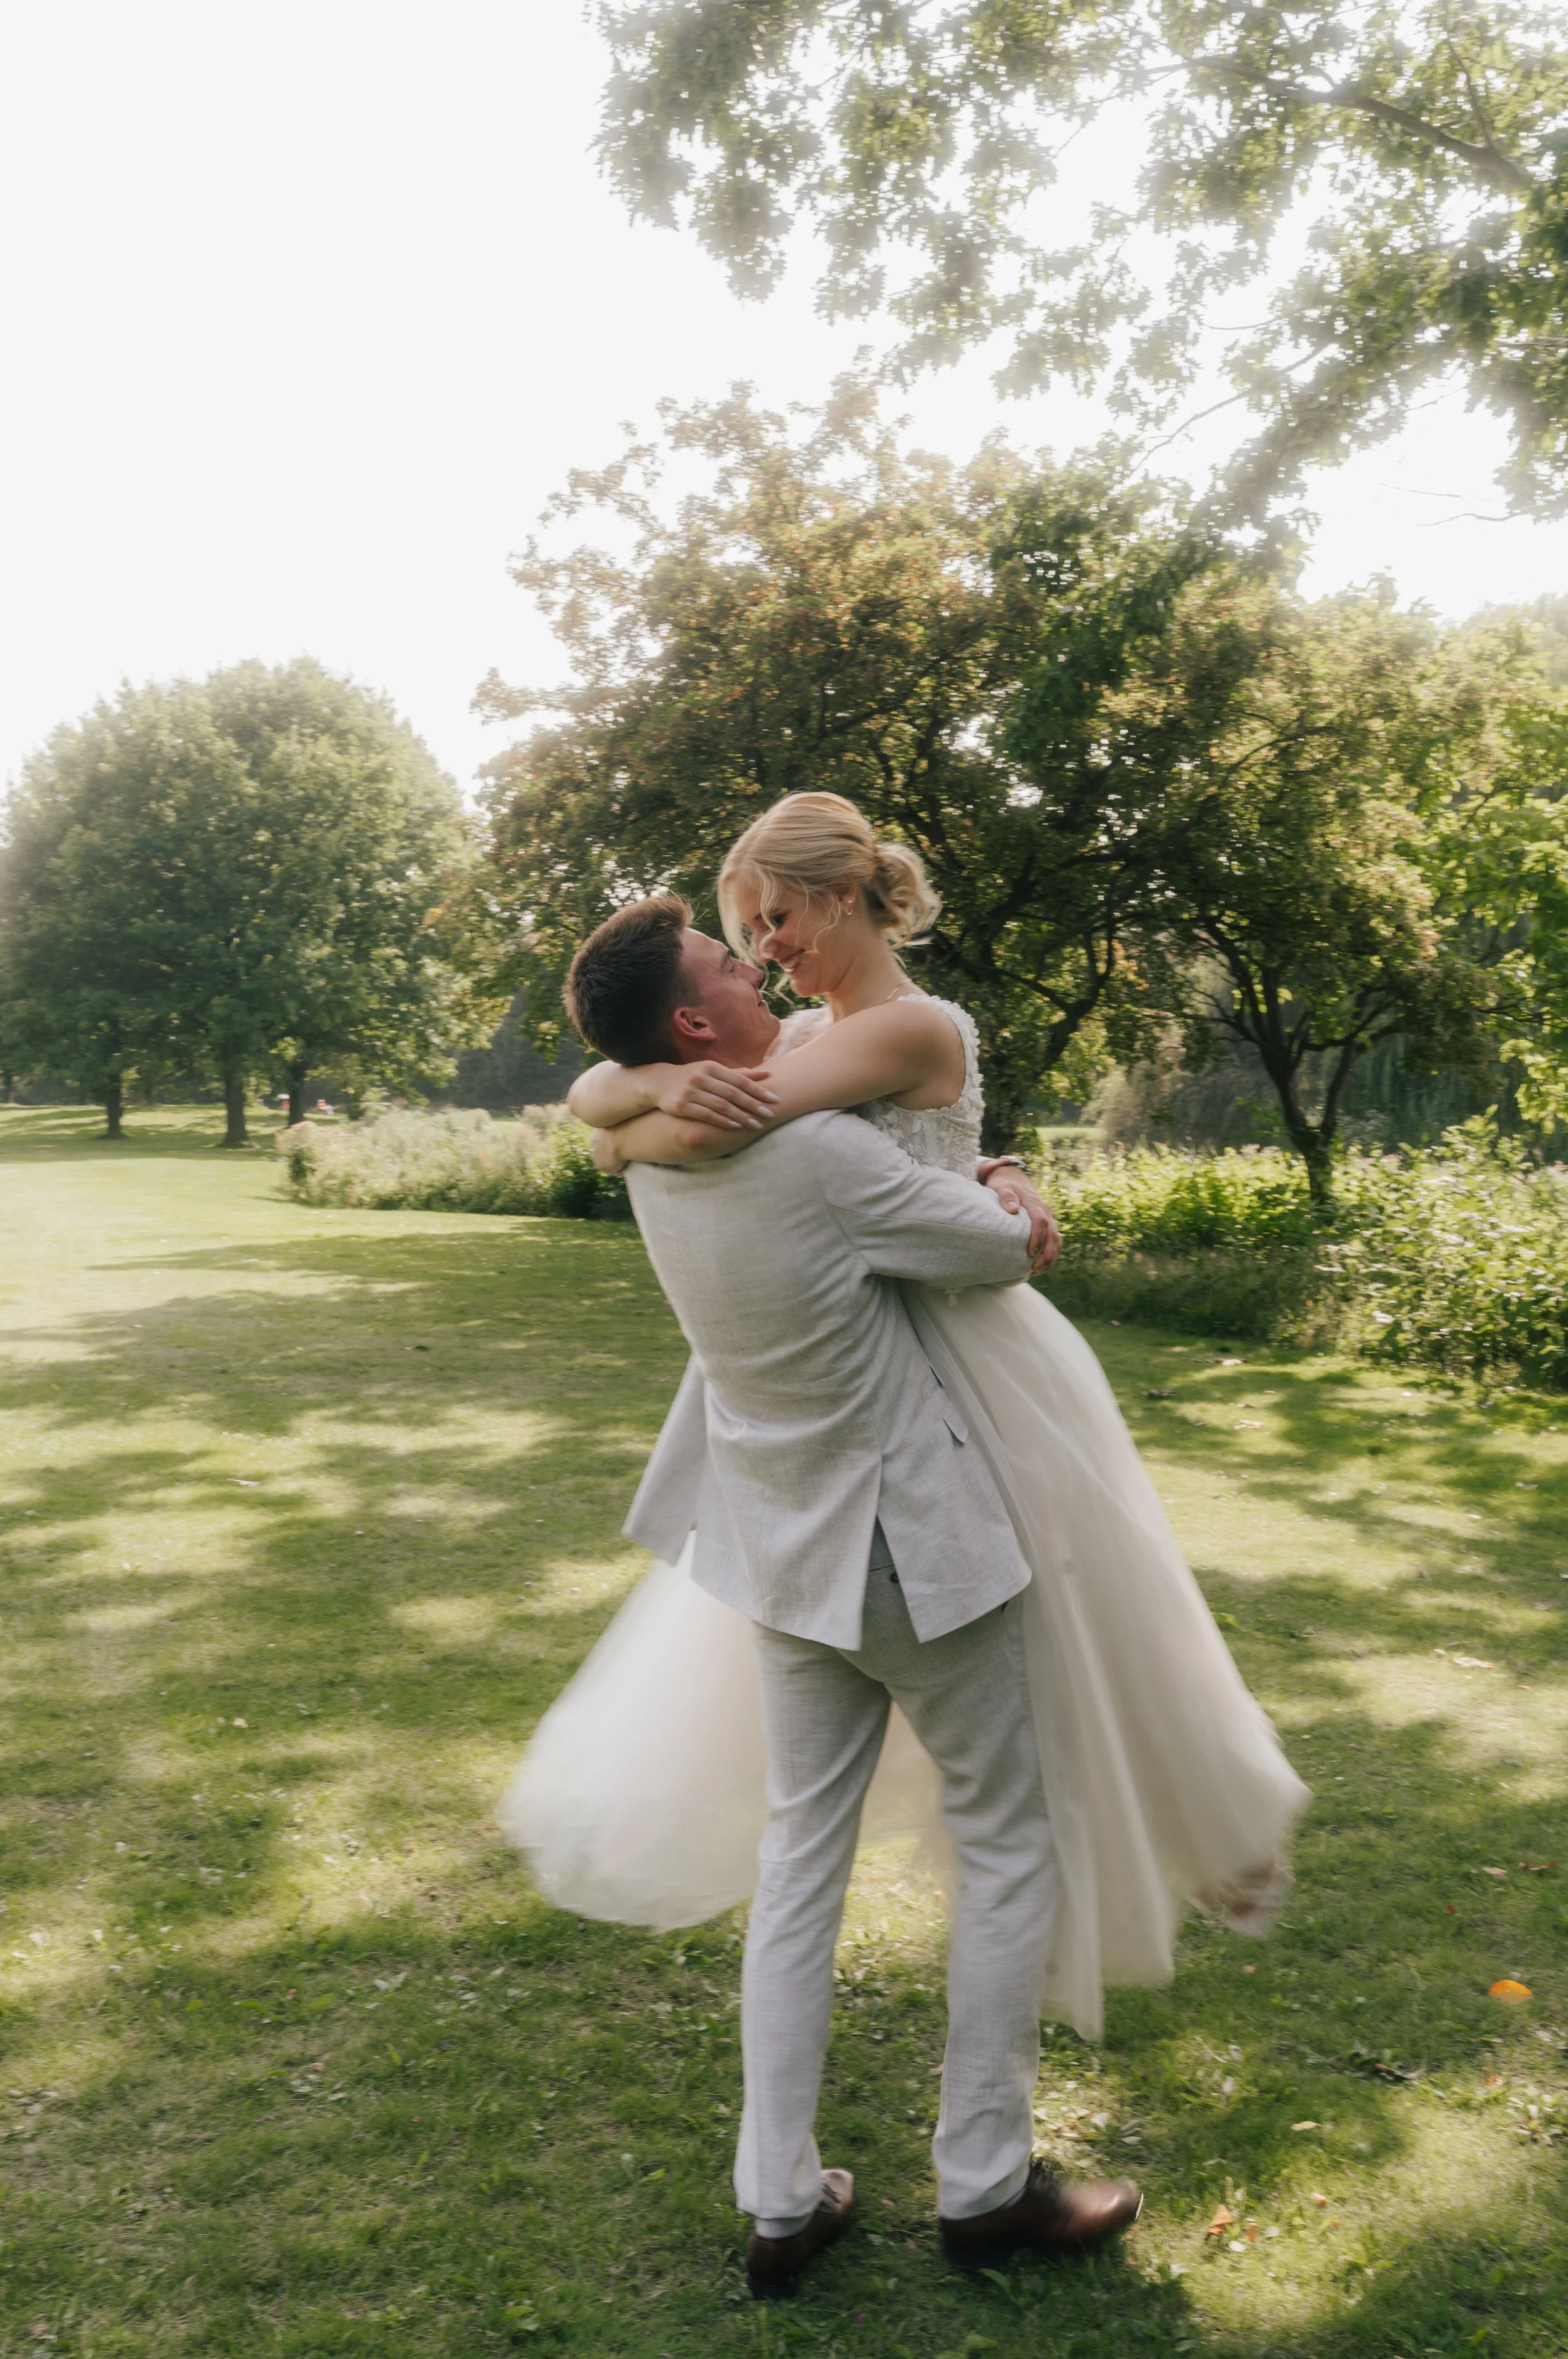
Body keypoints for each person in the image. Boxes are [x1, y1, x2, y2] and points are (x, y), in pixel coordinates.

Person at [501, 795, 1308, 2288]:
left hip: (775, 1545)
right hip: (904, 1539)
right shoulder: (800, 1148)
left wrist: (630, 1109)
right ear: (692, 1022)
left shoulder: (671, 1157)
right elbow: (1003, 1254)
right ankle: (982, 2184)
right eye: (733, 951)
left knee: (801, 1849)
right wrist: (1002, 1187)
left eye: (764, 926)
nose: (757, 958)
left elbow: (615, 1105)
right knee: (1007, 1841)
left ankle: (778, 2194)